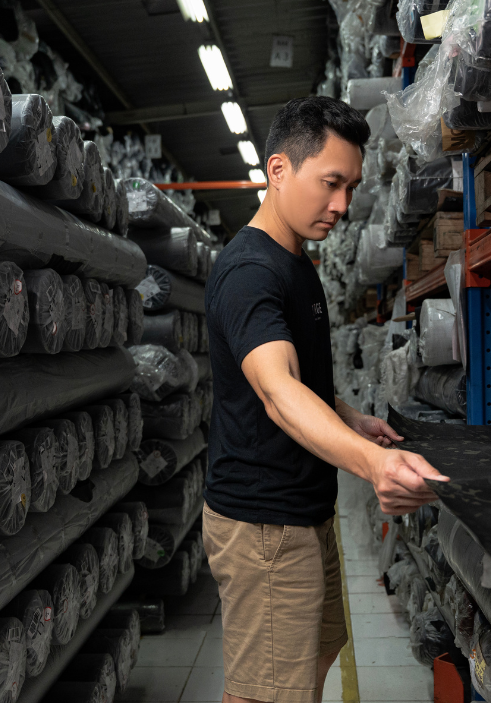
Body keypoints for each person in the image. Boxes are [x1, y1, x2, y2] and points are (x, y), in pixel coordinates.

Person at [202, 96, 447, 703]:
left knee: (314, 655)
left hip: (303, 511)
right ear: (279, 171)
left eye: (351, 187)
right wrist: (375, 466)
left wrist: (353, 420)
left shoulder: (296, 261)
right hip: (264, 525)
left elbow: (305, 379)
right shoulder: (249, 272)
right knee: (267, 692)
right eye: (330, 183)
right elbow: (279, 391)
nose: (342, 205)